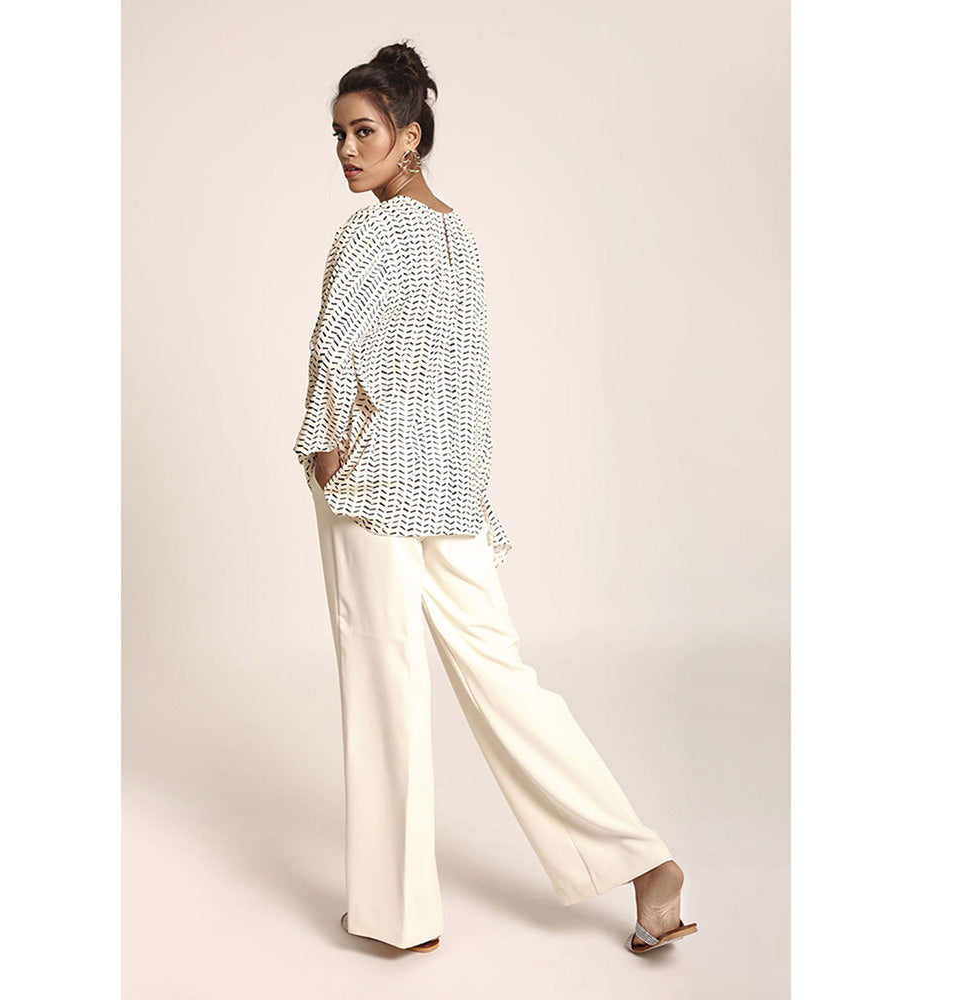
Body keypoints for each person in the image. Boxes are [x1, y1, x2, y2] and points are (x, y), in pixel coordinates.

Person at [293, 40, 698, 956]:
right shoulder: (460, 239)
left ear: (410, 135)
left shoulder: (367, 234)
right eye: (339, 134)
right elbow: (469, 382)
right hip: (450, 492)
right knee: (506, 681)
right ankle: (644, 864)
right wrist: (471, 492)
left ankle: (397, 917)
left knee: (385, 682)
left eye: (364, 132)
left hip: (371, 488)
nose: (347, 151)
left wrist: (322, 450)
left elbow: (332, 349)